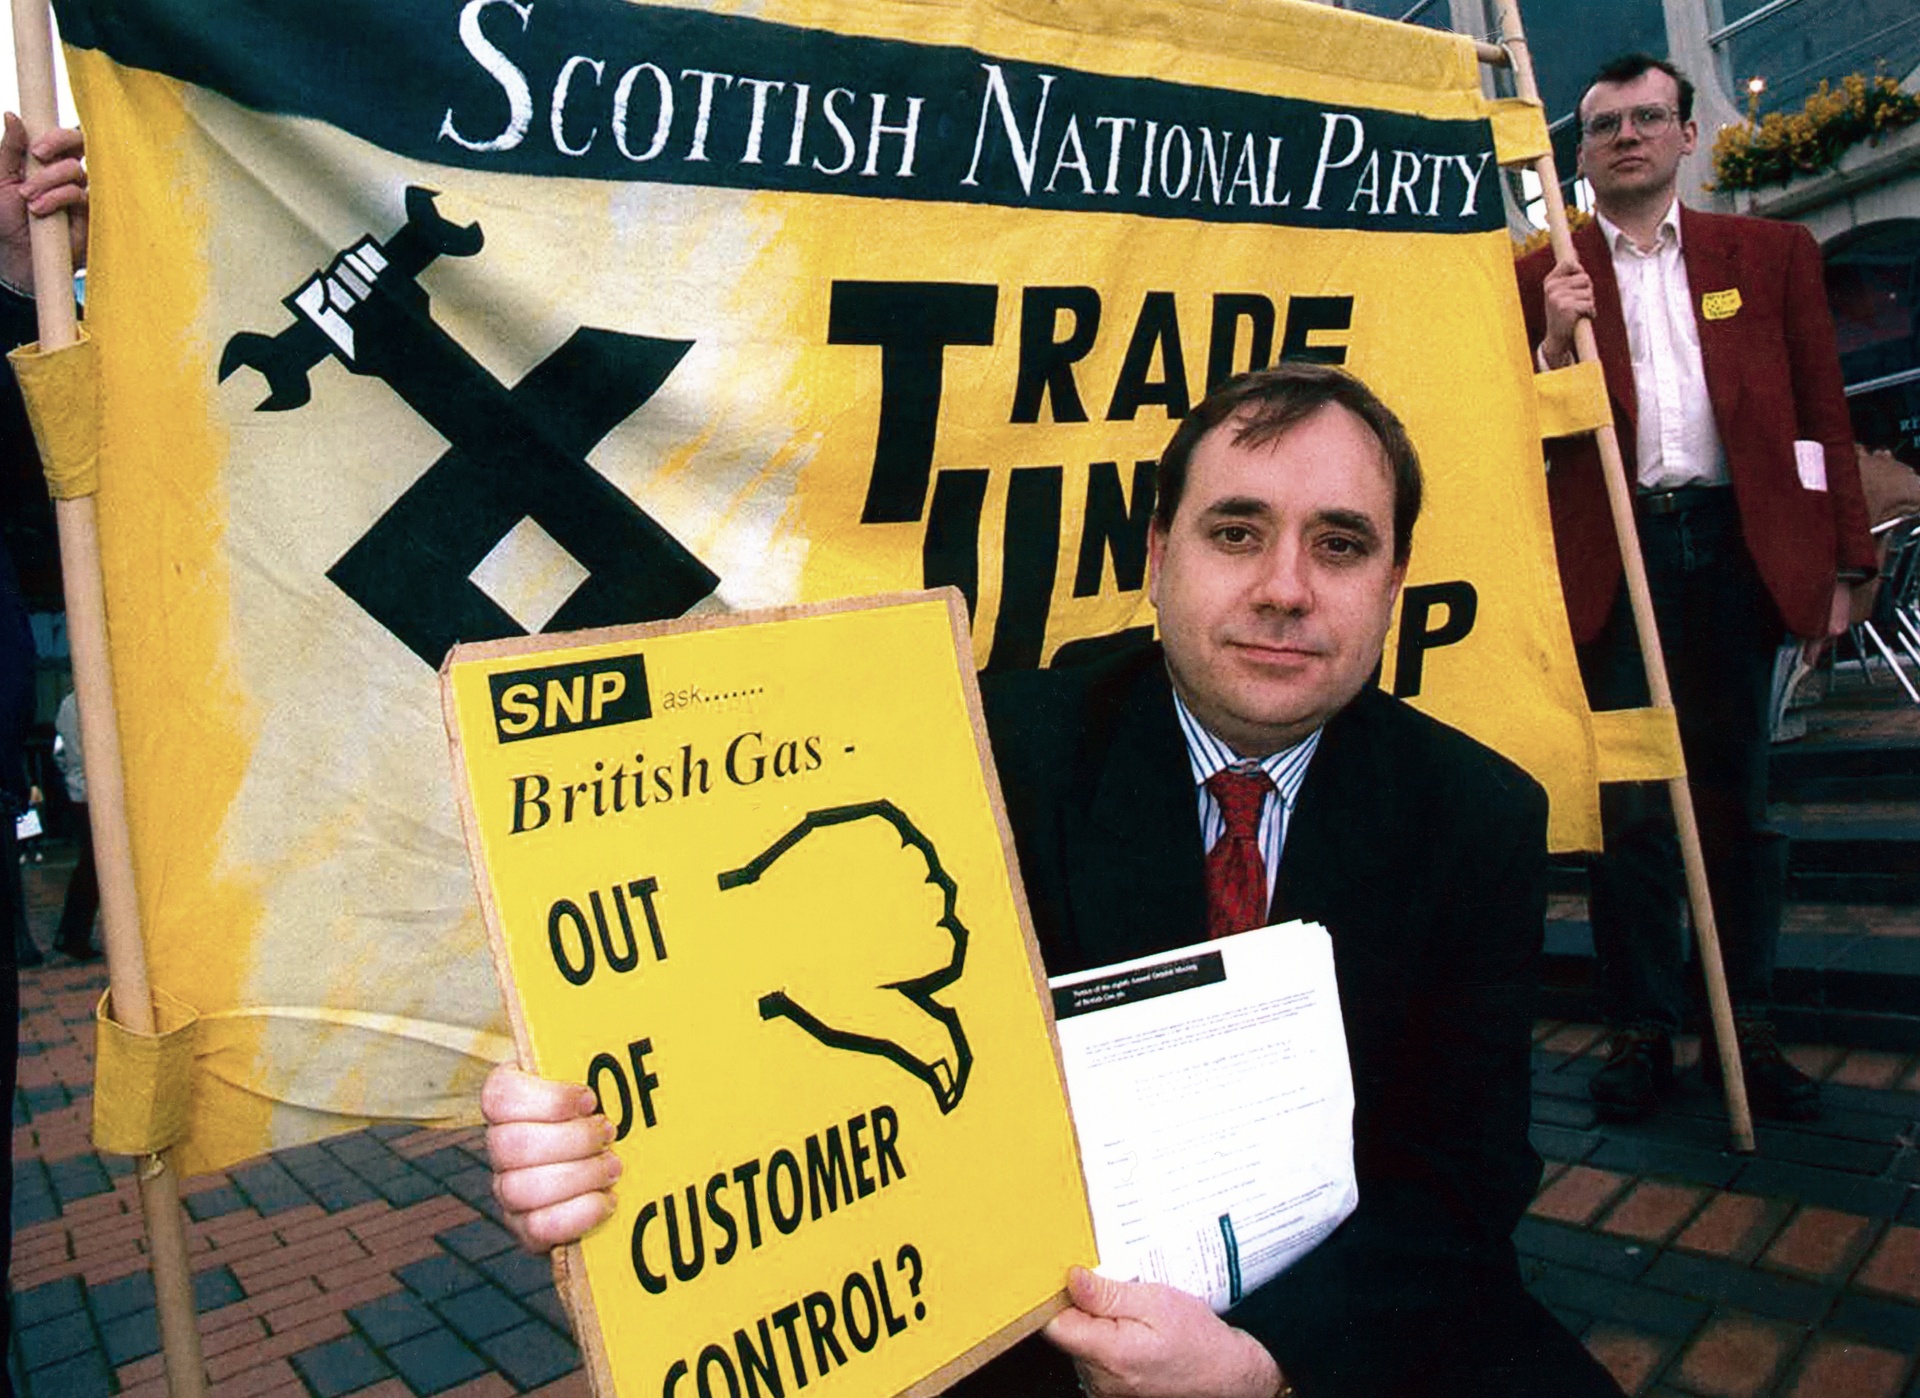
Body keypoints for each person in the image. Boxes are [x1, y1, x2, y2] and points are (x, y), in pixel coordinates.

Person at [482, 363, 1625, 1398]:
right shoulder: (985, 751)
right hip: (1030, 1330)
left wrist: (1261, 1365)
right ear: (1156, 552)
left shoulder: (1476, 815)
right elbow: (769, 983)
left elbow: (1464, 1180)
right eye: (1236, 532)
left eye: (1339, 544)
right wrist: (610, 1142)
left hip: (1338, 1319)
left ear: (1393, 580)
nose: (1286, 586)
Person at [1514, 54, 1876, 1124]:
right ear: (1578, 154)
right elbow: (1509, 434)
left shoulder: (1769, 255)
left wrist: (1845, 562)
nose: (1627, 135)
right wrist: (1545, 342)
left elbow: (1822, 417)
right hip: (1613, 561)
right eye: (1604, 125)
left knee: (1736, 803)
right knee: (1630, 811)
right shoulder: (1543, 272)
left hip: (1732, 553)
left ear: (1685, 136)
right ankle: (1640, 1030)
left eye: (1647, 118)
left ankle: (1744, 1021)